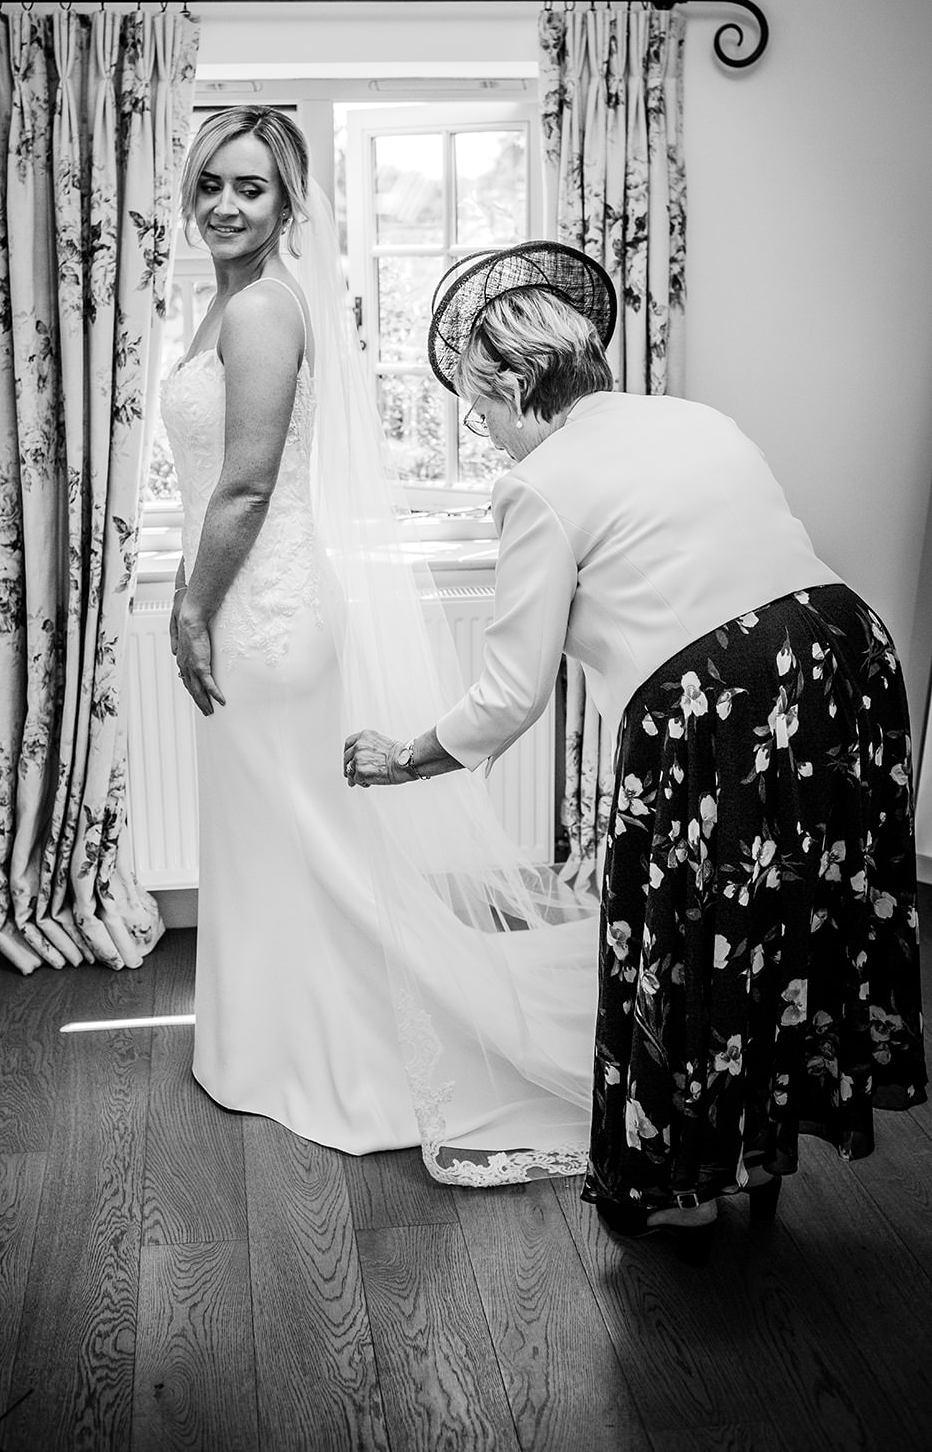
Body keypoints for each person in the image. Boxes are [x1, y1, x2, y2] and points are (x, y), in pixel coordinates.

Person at [345, 241, 927, 1264]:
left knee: (694, 938)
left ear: (521, 384)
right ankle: (762, 1135)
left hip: (719, 703)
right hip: (843, 651)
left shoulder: (537, 485)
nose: (481, 437)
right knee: (790, 919)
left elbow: (508, 694)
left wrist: (404, 755)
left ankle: (678, 1185)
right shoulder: (691, 418)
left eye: (478, 410)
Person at [158, 111, 600, 1185]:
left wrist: (188, 611)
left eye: (251, 188)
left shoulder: (262, 308)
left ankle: (337, 1055)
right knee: (273, 843)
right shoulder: (226, 300)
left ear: (288, 204)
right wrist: (188, 589)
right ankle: (261, 1045)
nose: (225, 203)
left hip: (263, 616)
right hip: (251, 601)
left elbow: (250, 484)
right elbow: (214, 483)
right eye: (210, 181)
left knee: (303, 840)